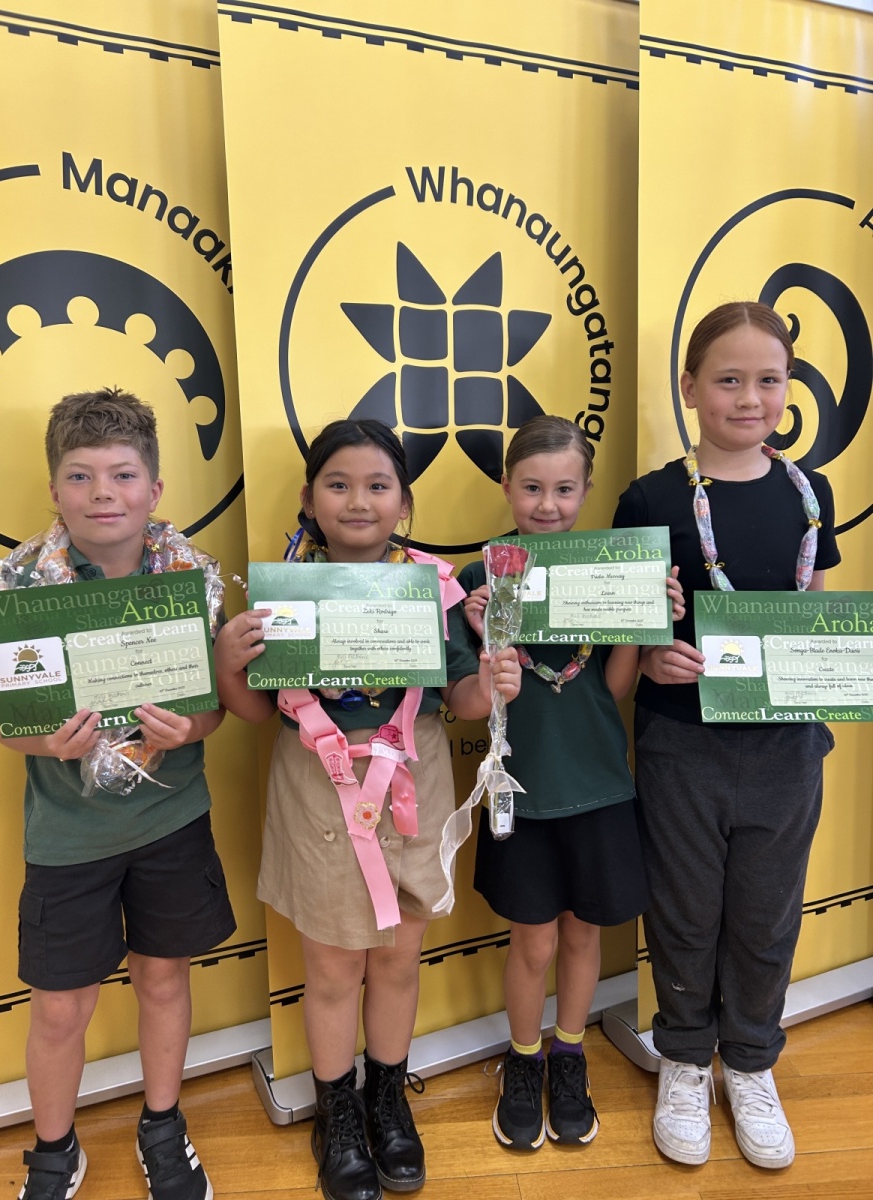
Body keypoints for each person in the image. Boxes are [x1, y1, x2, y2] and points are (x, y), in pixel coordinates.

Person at [214, 418, 520, 1200]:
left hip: (412, 784)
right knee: (330, 967)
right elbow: (255, 714)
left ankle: (387, 1095)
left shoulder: (434, 589)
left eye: (378, 485)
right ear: (309, 498)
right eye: (339, 484)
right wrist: (229, 666)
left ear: (404, 502)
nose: (358, 500)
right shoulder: (281, 594)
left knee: (396, 957)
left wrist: (493, 682)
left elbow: (462, 698)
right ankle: (337, 1111)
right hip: (315, 789)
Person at [0, 388, 234, 1200]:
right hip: (69, 837)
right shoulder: (23, 585)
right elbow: (1, 719)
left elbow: (212, 708)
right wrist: (46, 742)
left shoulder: (190, 579)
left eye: (122, 475)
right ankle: (55, 1148)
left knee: (164, 979)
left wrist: (189, 729)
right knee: (59, 1009)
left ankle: (162, 1123)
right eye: (81, 476)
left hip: (170, 821)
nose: (102, 494)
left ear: (154, 488)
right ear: (55, 489)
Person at [614, 301, 839, 1170]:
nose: (750, 399)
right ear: (690, 388)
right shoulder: (652, 497)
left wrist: (828, 665)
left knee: (765, 914)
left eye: (769, 381)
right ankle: (682, 1058)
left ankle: (748, 1061)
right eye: (729, 380)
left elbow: (814, 610)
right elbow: (634, 626)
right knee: (685, 909)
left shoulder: (810, 494)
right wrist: (656, 654)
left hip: (786, 747)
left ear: (788, 389)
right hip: (683, 744)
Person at [460, 414, 683, 1153]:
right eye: (532, 488)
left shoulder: (608, 572)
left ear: (586, 491)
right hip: (521, 786)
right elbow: (467, 694)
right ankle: (523, 1061)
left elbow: (613, 689)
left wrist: (644, 620)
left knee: (584, 933)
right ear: (506, 487)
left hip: (600, 784)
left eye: (564, 489)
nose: (548, 504)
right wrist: (484, 633)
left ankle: (568, 1053)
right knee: (532, 942)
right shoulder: (482, 578)